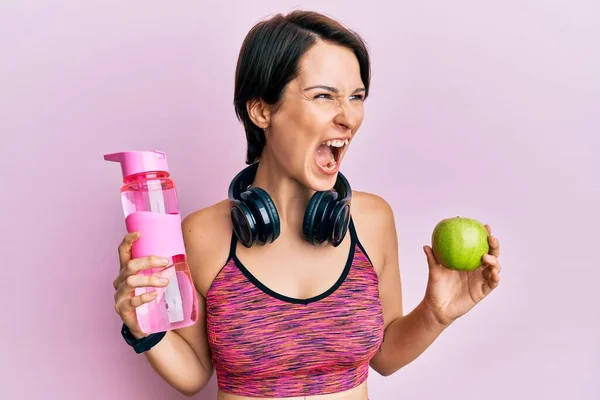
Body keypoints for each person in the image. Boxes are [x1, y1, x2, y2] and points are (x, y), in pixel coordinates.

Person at [111, 9, 502, 400]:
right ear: (262, 109)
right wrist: (144, 326)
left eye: (356, 97)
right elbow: (194, 373)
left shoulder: (373, 219)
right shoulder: (203, 233)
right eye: (324, 96)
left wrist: (436, 313)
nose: (348, 117)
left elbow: (383, 356)